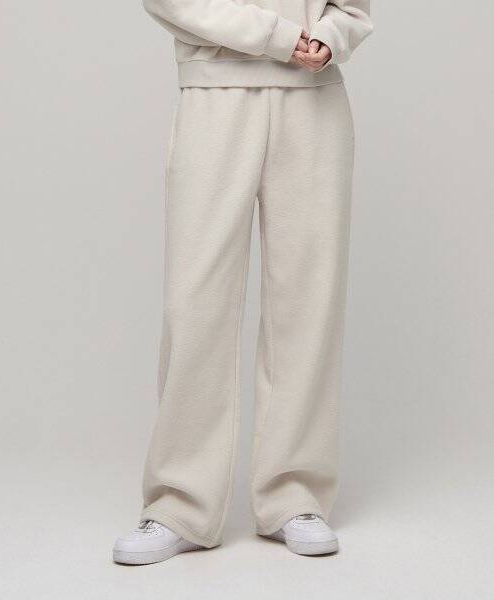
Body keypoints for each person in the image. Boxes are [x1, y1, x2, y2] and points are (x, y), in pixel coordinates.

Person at [113, 0, 373, 564]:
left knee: (308, 302)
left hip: (316, 98)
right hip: (215, 94)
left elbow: (353, 7)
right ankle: (180, 504)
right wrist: (278, 36)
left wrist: (332, 35)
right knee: (196, 301)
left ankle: (294, 495)